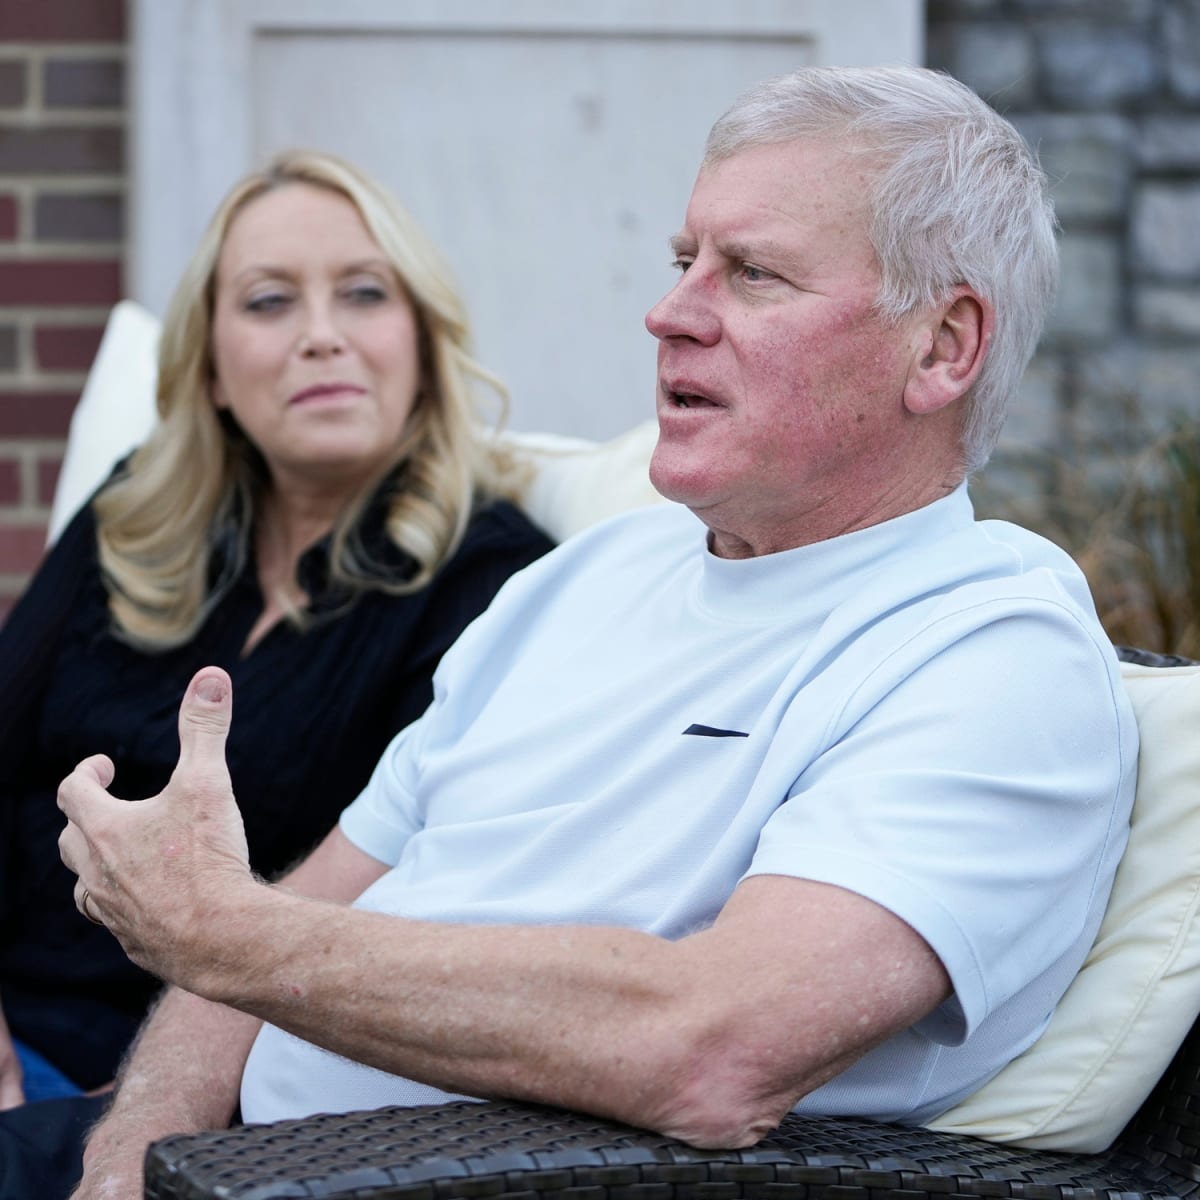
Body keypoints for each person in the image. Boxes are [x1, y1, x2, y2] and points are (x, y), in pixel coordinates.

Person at [46, 64, 1137, 1200]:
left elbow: (716, 1048)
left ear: (944, 347)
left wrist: (218, 932)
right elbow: (286, 917)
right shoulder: (584, 580)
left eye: (752, 274)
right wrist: (131, 1154)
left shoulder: (992, 660)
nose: (670, 313)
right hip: (198, 1166)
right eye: (683, 263)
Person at [0, 150, 553, 1109]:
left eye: (365, 294)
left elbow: (402, 919)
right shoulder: (136, 515)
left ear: (421, 343)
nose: (321, 337)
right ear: (209, 368)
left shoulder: (499, 584)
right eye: (268, 302)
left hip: (209, 1095)